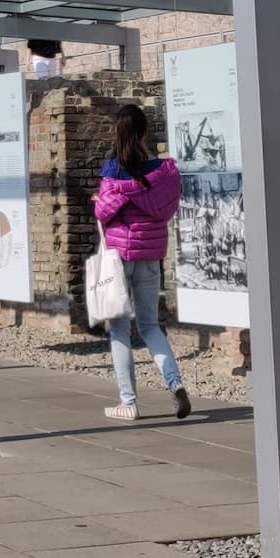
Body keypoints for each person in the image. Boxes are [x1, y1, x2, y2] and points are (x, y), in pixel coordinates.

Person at [92, 103, 191, 423]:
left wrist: (103, 199)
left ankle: (128, 402)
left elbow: (103, 212)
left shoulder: (112, 171)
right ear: (145, 131)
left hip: (119, 258)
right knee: (150, 326)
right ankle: (175, 384)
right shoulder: (164, 173)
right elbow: (166, 209)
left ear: (116, 132)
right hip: (150, 257)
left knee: (119, 330)